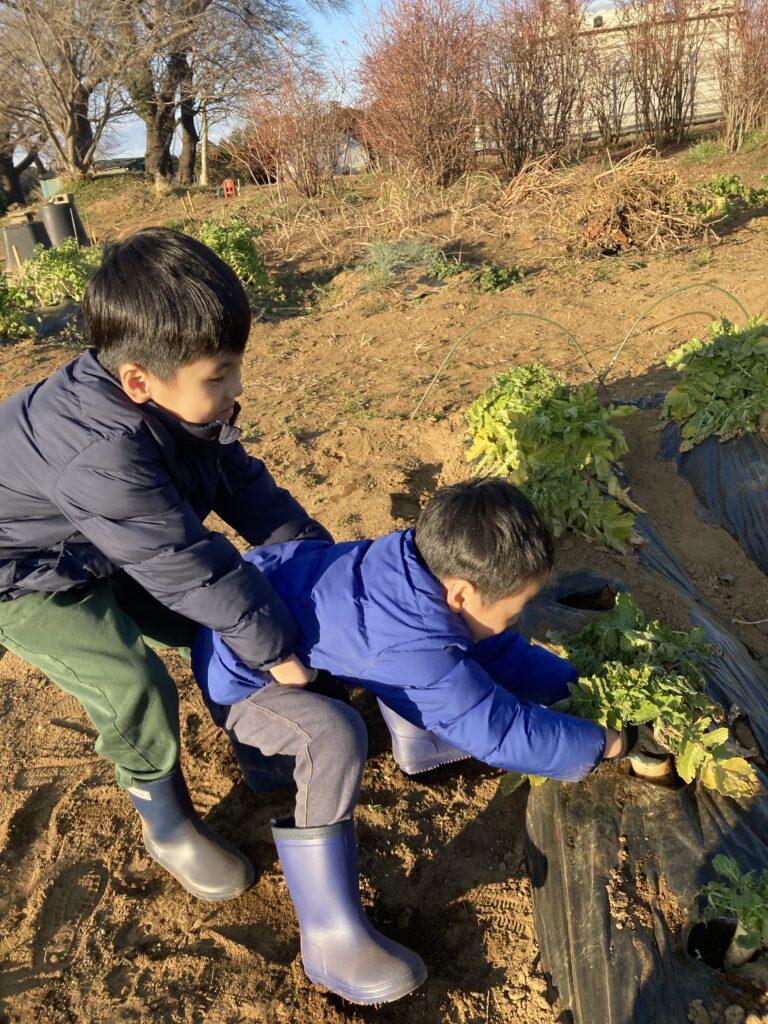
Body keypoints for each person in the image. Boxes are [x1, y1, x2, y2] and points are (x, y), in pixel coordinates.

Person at [0, 227, 368, 910]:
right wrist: (281, 647)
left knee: (236, 612)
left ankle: (265, 745)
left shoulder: (177, 410)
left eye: (235, 367)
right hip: (23, 575)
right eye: (217, 376)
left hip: (106, 538)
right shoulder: (98, 453)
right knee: (133, 683)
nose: (236, 388)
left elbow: (245, 489)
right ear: (139, 380)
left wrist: (325, 568)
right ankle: (167, 827)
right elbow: (189, 566)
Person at [192, 478, 642, 1004]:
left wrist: (575, 689)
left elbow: (499, 654)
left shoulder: (411, 569)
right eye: (514, 610)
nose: (515, 621)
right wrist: (610, 742)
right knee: (335, 735)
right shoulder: (409, 641)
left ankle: (312, 757)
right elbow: (497, 732)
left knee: (451, 665)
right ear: (462, 593)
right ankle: (329, 937)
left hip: (265, 623)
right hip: (241, 682)